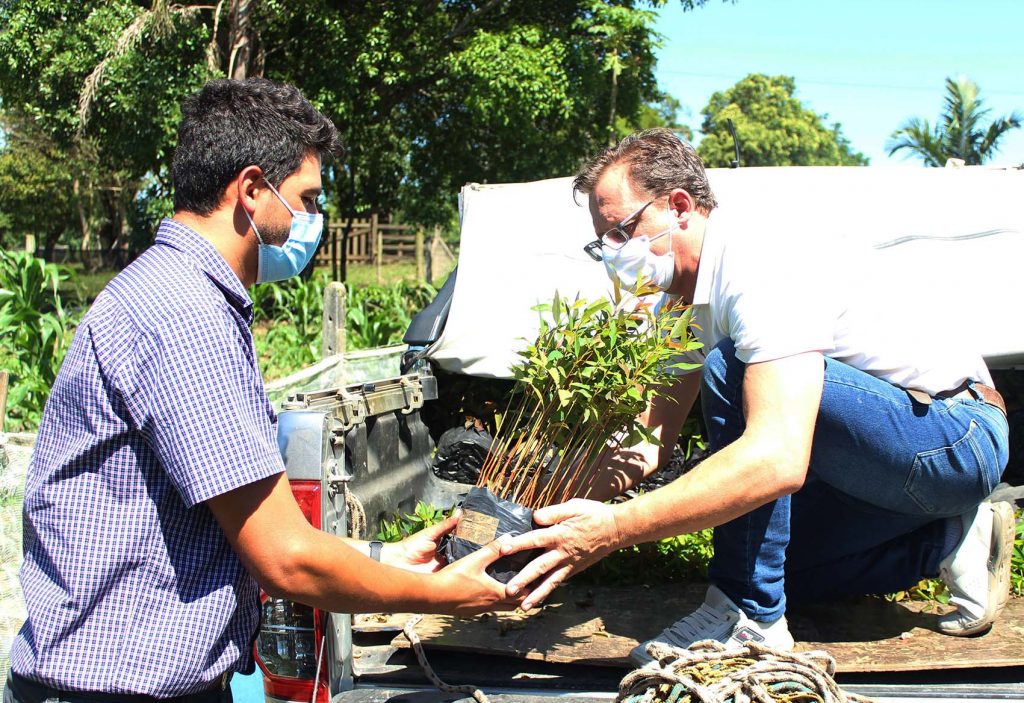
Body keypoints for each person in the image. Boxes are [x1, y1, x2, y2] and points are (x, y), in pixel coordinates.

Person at [5, 78, 513, 703]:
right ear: (250, 190)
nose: (310, 220)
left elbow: (237, 523)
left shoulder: (177, 294)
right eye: (305, 197)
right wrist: (442, 595)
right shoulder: (183, 314)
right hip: (113, 691)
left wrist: (385, 556)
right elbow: (285, 558)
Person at [500, 128, 1013, 665]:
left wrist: (610, 531)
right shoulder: (678, 301)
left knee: (731, 366)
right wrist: (532, 519)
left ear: (679, 206)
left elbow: (777, 458)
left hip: (953, 438)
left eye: (621, 231)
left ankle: (749, 617)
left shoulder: (760, 260)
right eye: (600, 241)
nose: (612, 255)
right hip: (885, 470)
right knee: (785, 567)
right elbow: (646, 441)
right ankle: (948, 537)